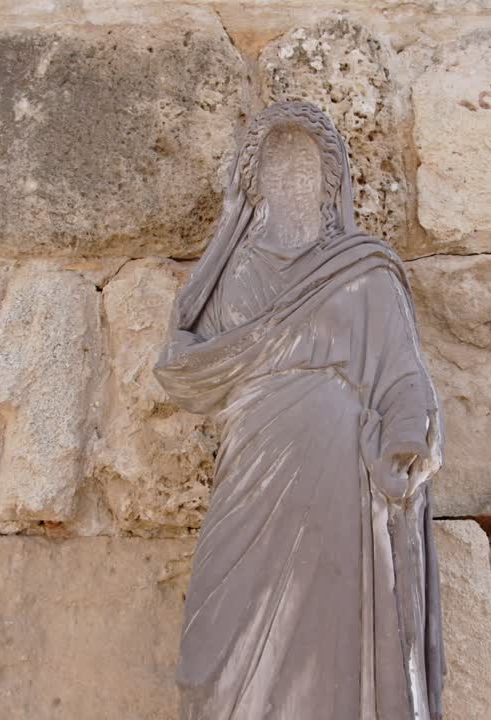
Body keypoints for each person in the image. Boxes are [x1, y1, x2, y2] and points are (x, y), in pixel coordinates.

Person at [154, 100, 446, 720]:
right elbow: (186, 363)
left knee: (337, 636)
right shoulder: (231, 275)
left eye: (304, 168)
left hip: (342, 475)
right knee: (213, 652)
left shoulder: (363, 270)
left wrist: (405, 434)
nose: (289, 181)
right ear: (251, 182)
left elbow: (404, 375)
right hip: (251, 469)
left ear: (329, 182)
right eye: (274, 169)